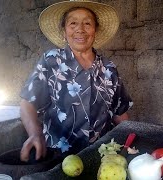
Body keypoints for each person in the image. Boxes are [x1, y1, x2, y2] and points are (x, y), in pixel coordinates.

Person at [19, 0, 133, 162]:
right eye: (73, 23)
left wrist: (130, 141)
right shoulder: (51, 61)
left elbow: (120, 112)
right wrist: (35, 134)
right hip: (58, 157)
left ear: (95, 30)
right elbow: (27, 104)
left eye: (87, 23)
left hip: (101, 156)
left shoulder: (109, 68)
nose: (80, 29)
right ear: (64, 31)